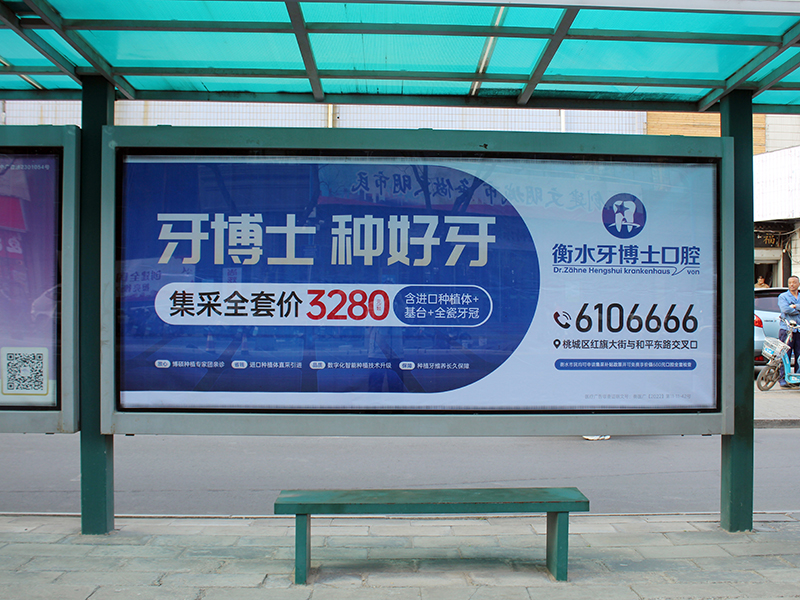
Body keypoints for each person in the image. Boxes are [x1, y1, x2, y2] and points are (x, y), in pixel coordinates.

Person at [778, 275, 800, 387]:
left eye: (794, 282)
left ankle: (797, 378)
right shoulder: (783, 296)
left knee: (799, 356)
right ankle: (782, 379)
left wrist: (795, 306)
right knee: (785, 354)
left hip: (798, 330)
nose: (792, 284)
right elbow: (785, 309)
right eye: (790, 282)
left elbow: (790, 309)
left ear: (798, 284)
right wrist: (798, 310)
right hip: (787, 330)